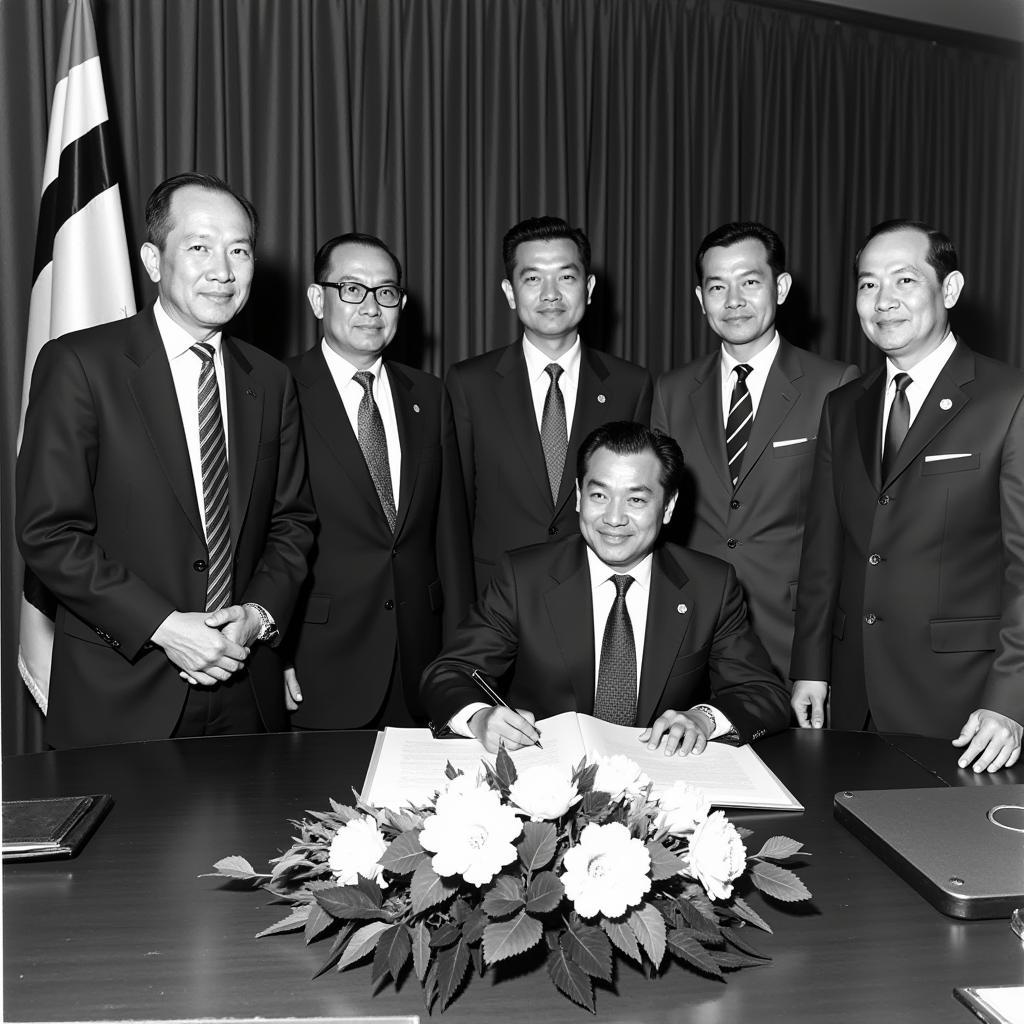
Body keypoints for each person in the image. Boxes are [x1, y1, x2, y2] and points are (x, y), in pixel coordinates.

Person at [16, 172, 316, 748]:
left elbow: (292, 522)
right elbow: (49, 532)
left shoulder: (271, 380)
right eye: (200, 247)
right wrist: (165, 627)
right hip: (122, 690)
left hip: (243, 685)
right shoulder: (80, 364)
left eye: (240, 250)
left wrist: (257, 616)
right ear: (154, 261)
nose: (223, 270)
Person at [790, 219, 1024, 773]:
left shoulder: (1008, 399)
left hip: (965, 710)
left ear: (950, 290)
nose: (883, 301)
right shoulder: (844, 406)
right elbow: (824, 550)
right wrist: (811, 666)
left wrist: (1010, 703)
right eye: (868, 284)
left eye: (904, 280)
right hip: (850, 696)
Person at [420, 421, 791, 754]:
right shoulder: (524, 576)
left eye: (636, 499)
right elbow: (449, 673)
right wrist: (481, 717)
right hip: (547, 775)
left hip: (660, 780)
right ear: (579, 496)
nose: (614, 518)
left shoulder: (710, 585)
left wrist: (703, 720)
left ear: (668, 507)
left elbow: (765, 694)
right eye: (599, 495)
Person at [652, 222, 858, 679]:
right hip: (690, 631)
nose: (733, 301)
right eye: (717, 286)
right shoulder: (672, 389)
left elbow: (847, 527)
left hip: (791, 632)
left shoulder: (835, 385)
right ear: (699, 298)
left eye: (749, 281)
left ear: (779, 287)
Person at [285, 233, 474, 728]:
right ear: (316, 298)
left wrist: (461, 656)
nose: (371, 306)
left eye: (385, 292)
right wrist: (274, 651)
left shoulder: (430, 395)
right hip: (315, 663)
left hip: (422, 661)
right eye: (351, 288)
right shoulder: (275, 390)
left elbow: (449, 534)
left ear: (402, 304)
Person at [446, 216, 652, 592]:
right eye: (533, 278)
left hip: (595, 593)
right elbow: (454, 513)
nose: (551, 294)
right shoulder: (468, 383)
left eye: (566, 277)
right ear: (510, 292)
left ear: (588, 288)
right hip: (497, 597)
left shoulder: (631, 385)